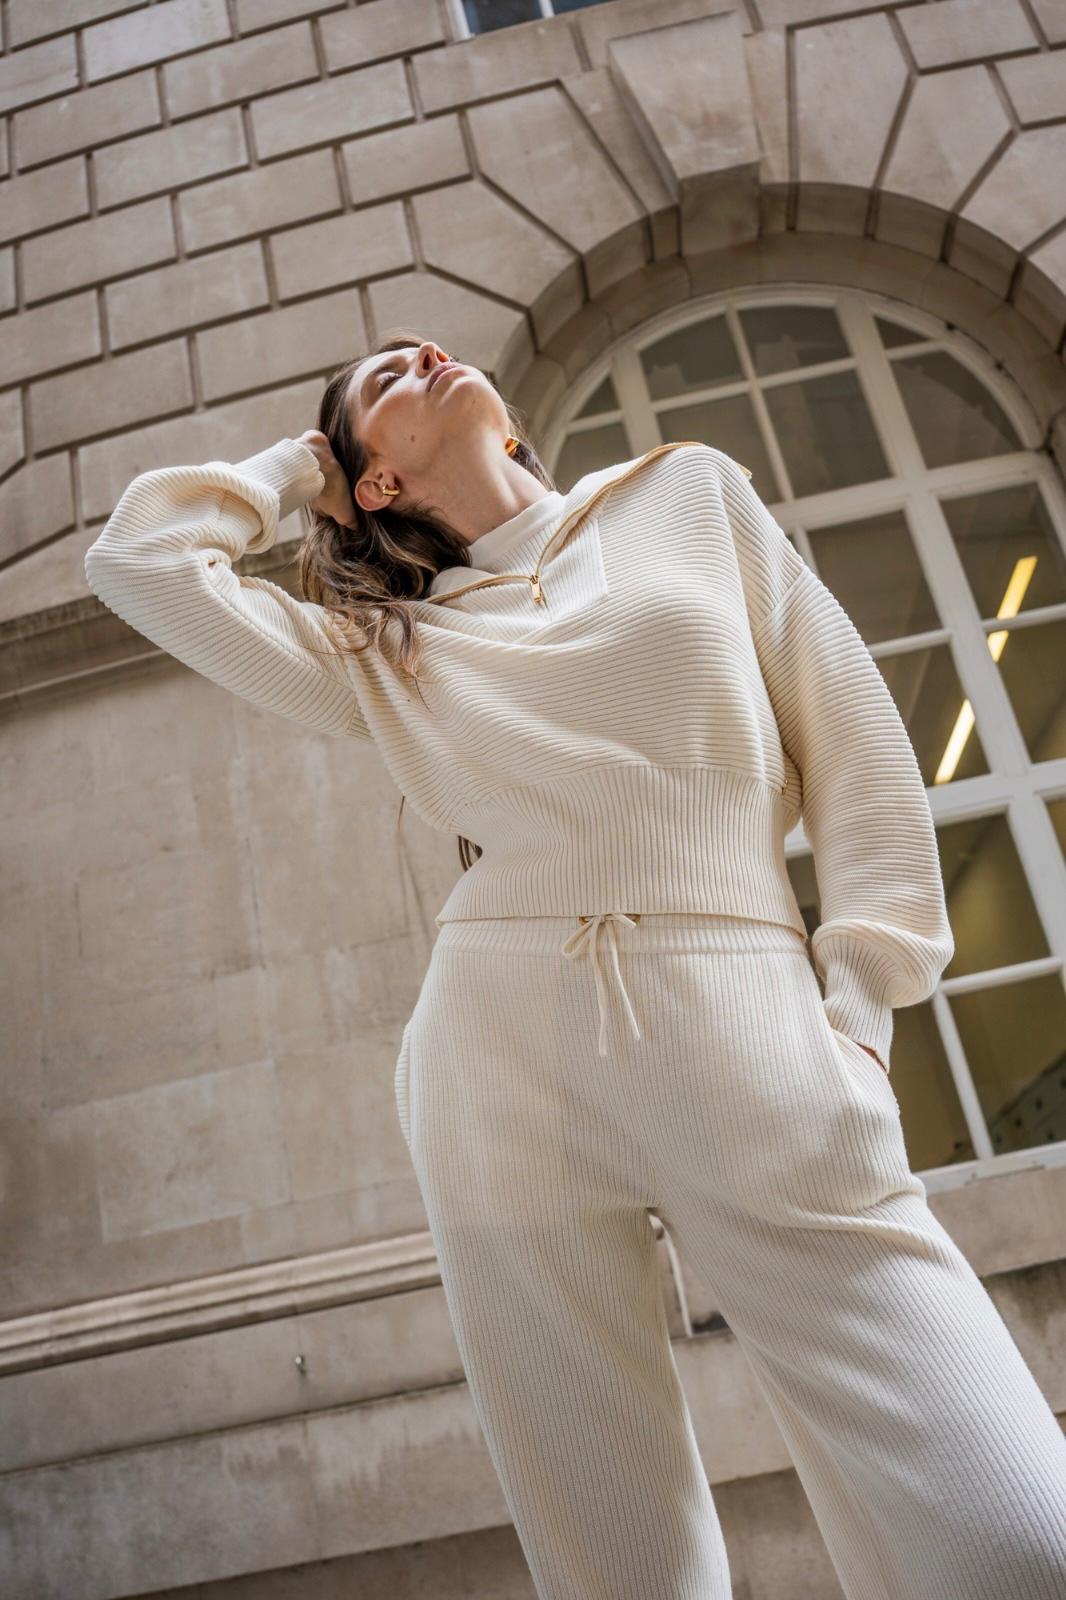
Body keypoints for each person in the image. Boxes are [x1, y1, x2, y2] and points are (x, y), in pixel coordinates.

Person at [83, 335, 1066, 1599]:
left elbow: (854, 734)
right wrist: (291, 472)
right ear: (370, 481)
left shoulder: (685, 495)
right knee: (619, 1567)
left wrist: (860, 1011)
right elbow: (141, 562)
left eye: (420, 348)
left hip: (750, 1024)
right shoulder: (386, 651)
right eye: (378, 384)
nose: (419, 356)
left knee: (1016, 1537)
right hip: (497, 1057)